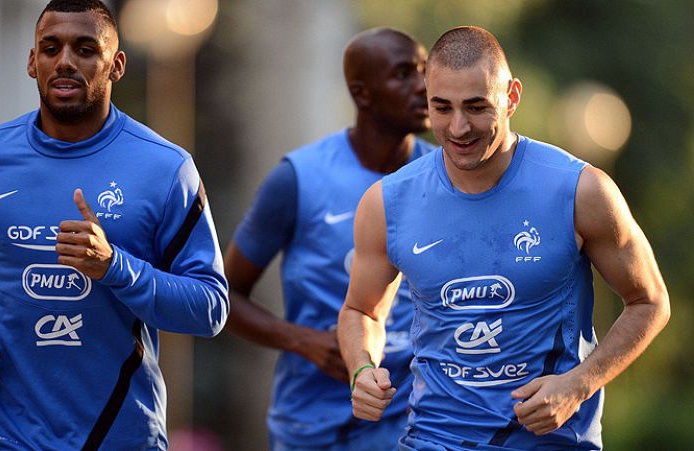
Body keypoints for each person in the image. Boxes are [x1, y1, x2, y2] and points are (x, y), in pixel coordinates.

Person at [337, 26, 670, 451]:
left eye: (477, 107)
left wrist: (578, 385)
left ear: (511, 97)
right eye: (442, 107)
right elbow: (360, 311)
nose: (458, 127)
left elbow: (650, 302)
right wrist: (361, 370)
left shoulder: (580, 191)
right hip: (432, 438)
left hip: (550, 441)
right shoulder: (387, 202)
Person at [0, 1, 228, 449]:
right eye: (51, 48)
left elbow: (210, 309)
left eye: (86, 49)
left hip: (118, 438)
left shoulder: (165, 168)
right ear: (33, 62)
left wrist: (113, 267)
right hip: (6, 438)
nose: (65, 61)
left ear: (116, 65)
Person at [224, 28, 436, 451]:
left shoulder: (444, 177)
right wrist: (304, 342)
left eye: (424, 70)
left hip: (413, 422)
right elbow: (223, 296)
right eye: (403, 74)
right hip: (310, 425)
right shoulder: (298, 178)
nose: (424, 86)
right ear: (362, 93)